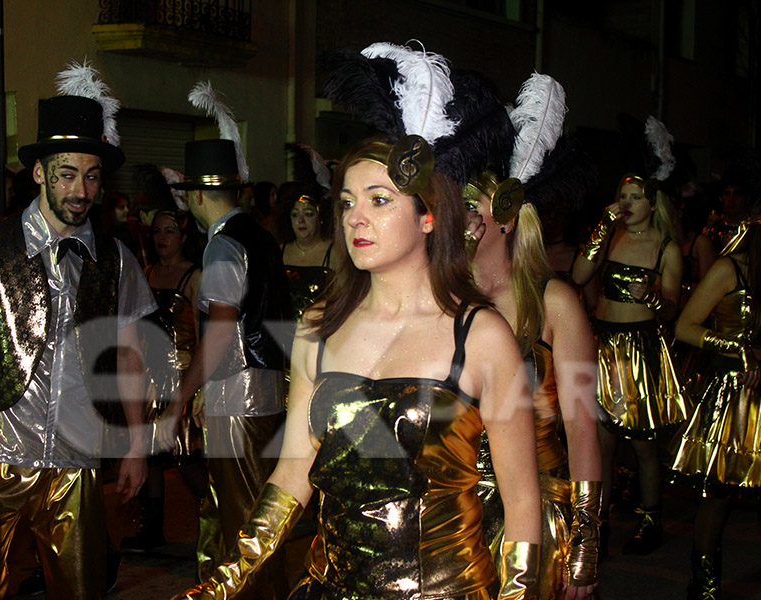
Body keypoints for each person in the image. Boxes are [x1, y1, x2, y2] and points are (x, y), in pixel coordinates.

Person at [174, 40, 543, 600]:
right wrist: (222, 583)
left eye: (378, 199)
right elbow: (292, 477)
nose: (356, 219)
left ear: (427, 217)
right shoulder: (319, 327)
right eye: (346, 202)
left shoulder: (482, 336)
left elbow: (520, 503)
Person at [0, 62, 157, 599]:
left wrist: (137, 443)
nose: (80, 188)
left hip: (77, 462)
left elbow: (130, 356)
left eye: (91, 175)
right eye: (66, 173)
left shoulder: (116, 259)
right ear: (39, 173)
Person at [463, 73, 601, 600]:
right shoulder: (443, 300)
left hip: (537, 512)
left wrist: (585, 547)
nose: (458, 221)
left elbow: (583, 430)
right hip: (456, 514)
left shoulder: (555, 304)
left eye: (470, 209)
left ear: (504, 218)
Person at [162, 137, 292, 599]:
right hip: (263, 391)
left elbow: (220, 331)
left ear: (196, 195)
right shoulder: (260, 237)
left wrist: (181, 395)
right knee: (248, 512)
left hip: (238, 397)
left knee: (247, 523)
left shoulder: (223, 246)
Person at [571, 123, 690, 557]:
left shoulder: (667, 248)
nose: (626, 203)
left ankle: (649, 521)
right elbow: (579, 276)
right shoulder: (613, 235)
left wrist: (655, 298)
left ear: (653, 202)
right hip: (603, 345)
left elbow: (676, 310)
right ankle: (596, 528)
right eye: (622, 196)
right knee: (600, 442)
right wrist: (602, 228)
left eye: (635, 196)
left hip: (640, 348)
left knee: (641, 444)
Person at [669, 205, 761, 599]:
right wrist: (738, 348)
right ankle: (705, 581)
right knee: (719, 491)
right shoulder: (730, 269)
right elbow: (685, 326)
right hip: (735, 390)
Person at [121, 209, 204, 553]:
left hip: (182, 378)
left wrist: (200, 387)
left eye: (170, 231)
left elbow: (207, 335)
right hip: (149, 378)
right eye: (157, 231)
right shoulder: (147, 273)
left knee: (185, 455)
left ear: (184, 237)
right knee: (150, 455)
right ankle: (150, 526)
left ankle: (219, 518)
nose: (162, 238)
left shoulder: (195, 277)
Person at [280, 183, 333, 319]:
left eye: (308, 214)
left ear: (320, 218)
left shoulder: (334, 253)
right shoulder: (279, 251)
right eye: (295, 215)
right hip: (282, 333)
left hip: (320, 332)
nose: (301, 221)